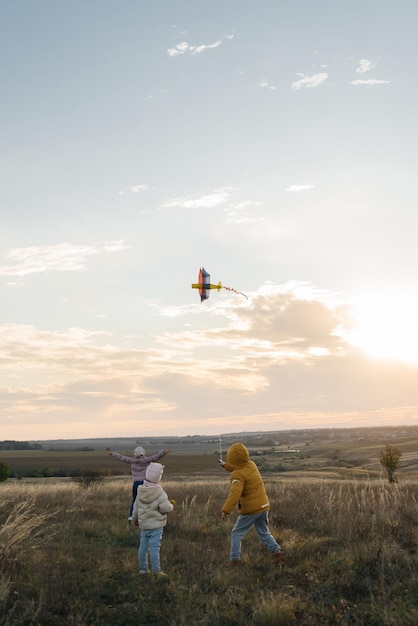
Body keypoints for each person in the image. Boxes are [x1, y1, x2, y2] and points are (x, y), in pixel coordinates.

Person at [219, 442, 284, 567]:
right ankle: (277, 553)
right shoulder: (251, 465)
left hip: (250, 509)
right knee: (264, 532)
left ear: (232, 458)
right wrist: (226, 466)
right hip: (264, 506)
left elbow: (235, 494)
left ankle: (234, 560)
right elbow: (240, 468)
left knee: (236, 533)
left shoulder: (237, 474)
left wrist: (225, 510)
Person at [107, 446, 171, 521]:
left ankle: (131, 518)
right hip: (145, 484)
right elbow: (155, 457)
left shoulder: (132, 461)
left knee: (135, 501)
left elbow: (122, 458)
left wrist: (113, 454)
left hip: (136, 483)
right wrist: (163, 452)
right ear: (143, 453)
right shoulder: (147, 460)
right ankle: (146, 517)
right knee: (146, 500)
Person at [132, 462, 174, 575]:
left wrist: (135, 519)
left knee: (143, 548)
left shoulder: (140, 490)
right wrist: (171, 506)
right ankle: (156, 570)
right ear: (158, 477)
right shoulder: (160, 492)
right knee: (154, 548)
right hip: (156, 526)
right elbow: (165, 508)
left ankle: (143, 569)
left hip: (144, 525)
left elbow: (135, 506)